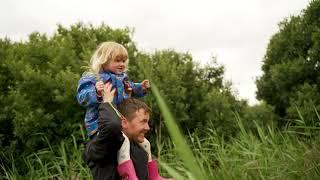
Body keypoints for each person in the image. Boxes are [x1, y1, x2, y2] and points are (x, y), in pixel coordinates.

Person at [83, 83, 168, 180]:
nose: (147, 127)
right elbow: (112, 125)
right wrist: (107, 103)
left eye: (147, 122)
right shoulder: (105, 145)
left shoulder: (140, 147)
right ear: (124, 122)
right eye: (143, 122)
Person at [77, 41, 150, 139]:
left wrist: (141, 87)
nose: (121, 64)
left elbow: (131, 87)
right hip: (99, 124)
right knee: (115, 145)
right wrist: (96, 92)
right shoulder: (93, 78)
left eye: (123, 61)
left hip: (121, 122)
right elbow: (82, 97)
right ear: (104, 61)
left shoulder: (122, 79)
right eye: (117, 60)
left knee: (129, 144)